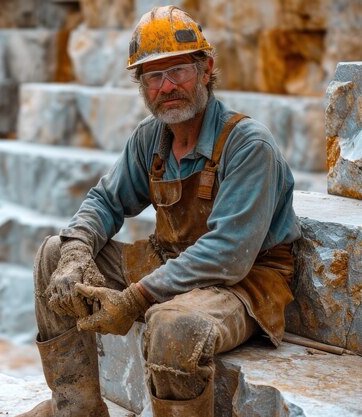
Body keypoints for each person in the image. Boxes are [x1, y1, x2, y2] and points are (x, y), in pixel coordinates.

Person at [17, 5, 300, 417]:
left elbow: (229, 253)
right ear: (142, 85)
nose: (167, 87)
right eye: (153, 76)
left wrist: (136, 298)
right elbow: (105, 200)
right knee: (54, 255)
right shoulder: (152, 138)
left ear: (206, 70)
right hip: (171, 260)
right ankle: (75, 409)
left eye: (179, 71)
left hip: (244, 284)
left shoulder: (248, 145)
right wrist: (77, 249)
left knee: (174, 326)